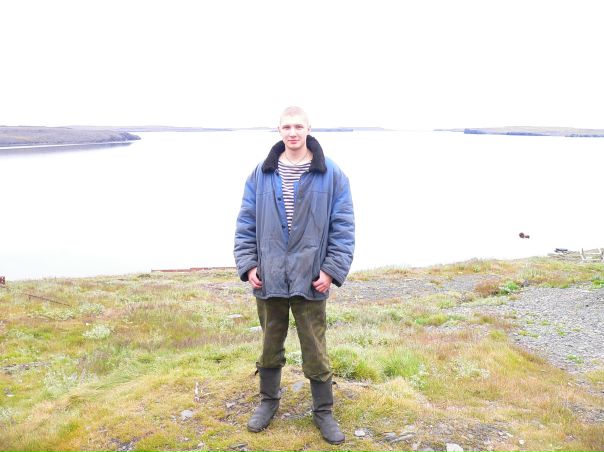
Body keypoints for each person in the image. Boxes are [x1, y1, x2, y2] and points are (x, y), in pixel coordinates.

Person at [234, 106, 355, 444]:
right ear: (279, 130)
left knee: (315, 346)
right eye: (286, 126)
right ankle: (268, 402)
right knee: (269, 343)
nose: (292, 132)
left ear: (308, 129)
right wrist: (249, 265)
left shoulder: (332, 174)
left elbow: (343, 227)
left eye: (298, 126)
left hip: (311, 277)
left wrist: (331, 270)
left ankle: (323, 411)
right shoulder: (261, 173)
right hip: (269, 275)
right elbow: (246, 223)